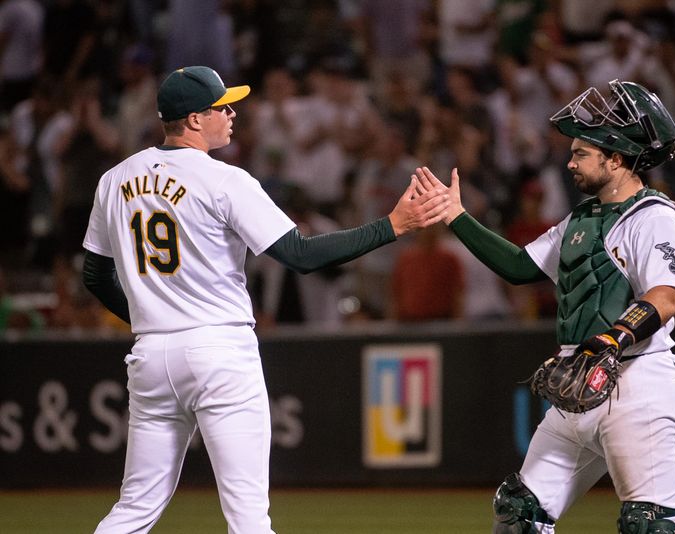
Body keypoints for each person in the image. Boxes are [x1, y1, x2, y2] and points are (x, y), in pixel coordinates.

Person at [81, 65, 450, 534]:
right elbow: (300, 254)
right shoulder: (225, 180)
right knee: (249, 516)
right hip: (219, 350)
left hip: (151, 352)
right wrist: (392, 226)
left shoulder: (114, 179)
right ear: (194, 119)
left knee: (133, 508)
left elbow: (94, 274)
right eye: (222, 106)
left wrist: (150, 315)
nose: (233, 113)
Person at [416, 79, 675, 533]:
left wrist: (610, 339)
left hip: (636, 380)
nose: (569, 162)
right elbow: (519, 266)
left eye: (581, 153)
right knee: (520, 512)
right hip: (579, 384)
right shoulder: (581, 219)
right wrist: (456, 216)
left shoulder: (655, 218)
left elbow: (663, 299)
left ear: (617, 158)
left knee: (651, 525)